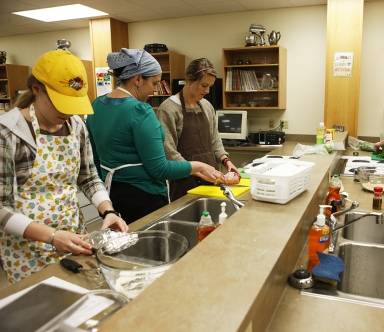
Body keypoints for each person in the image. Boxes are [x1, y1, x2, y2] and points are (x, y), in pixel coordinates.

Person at [0, 49, 127, 284]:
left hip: (74, 238)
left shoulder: (76, 126)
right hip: (27, 249)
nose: (67, 112)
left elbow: (88, 177)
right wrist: (52, 236)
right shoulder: (9, 133)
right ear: (36, 90)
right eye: (60, 103)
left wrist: (107, 211)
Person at [86, 49, 222, 223]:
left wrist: (105, 197)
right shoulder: (140, 111)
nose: (156, 89)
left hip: (112, 194)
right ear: (138, 79)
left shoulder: (96, 106)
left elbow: (95, 161)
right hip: (144, 197)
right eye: (154, 82)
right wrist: (197, 167)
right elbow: (160, 169)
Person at [157, 58, 239, 200]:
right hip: (184, 183)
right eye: (203, 85)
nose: (207, 91)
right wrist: (196, 170)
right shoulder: (168, 109)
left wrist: (226, 161)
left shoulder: (207, 106)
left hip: (212, 180)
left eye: (210, 86)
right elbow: (169, 151)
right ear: (189, 80)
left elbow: (215, 139)